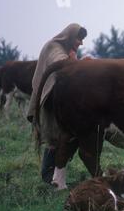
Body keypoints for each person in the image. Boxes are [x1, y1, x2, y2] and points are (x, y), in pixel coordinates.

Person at [27, 23, 87, 185]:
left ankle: (55, 174)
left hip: (58, 98)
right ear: (69, 36)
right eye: (79, 39)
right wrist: (78, 61)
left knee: (62, 135)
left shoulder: (65, 48)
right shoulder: (53, 46)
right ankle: (47, 176)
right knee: (53, 137)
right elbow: (60, 61)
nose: (81, 43)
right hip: (49, 99)